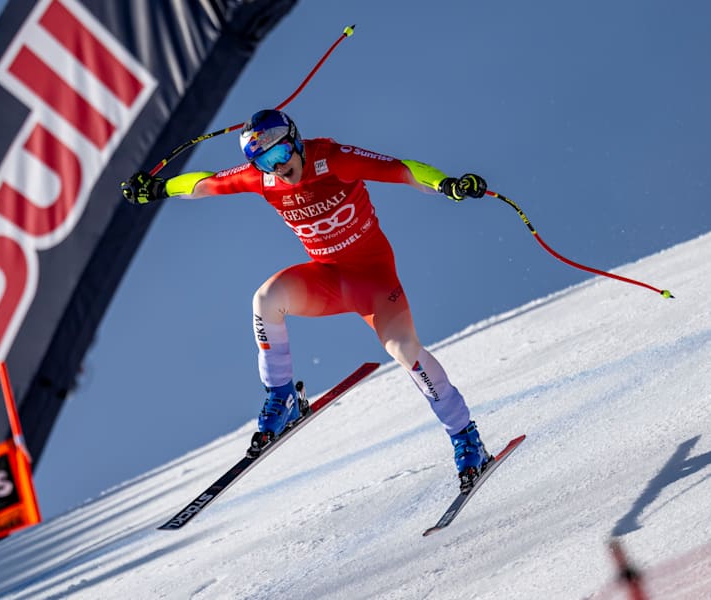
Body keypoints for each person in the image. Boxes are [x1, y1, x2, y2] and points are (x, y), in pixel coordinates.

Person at [122, 109, 492, 491]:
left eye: (280, 155)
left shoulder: (332, 159)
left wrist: (447, 184)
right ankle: (281, 398)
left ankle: (466, 440)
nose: (277, 168)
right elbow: (206, 183)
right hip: (328, 280)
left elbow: (404, 170)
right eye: (264, 162)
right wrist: (157, 188)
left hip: (375, 284)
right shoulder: (265, 180)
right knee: (266, 299)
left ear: (295, 140)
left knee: (405, 351)